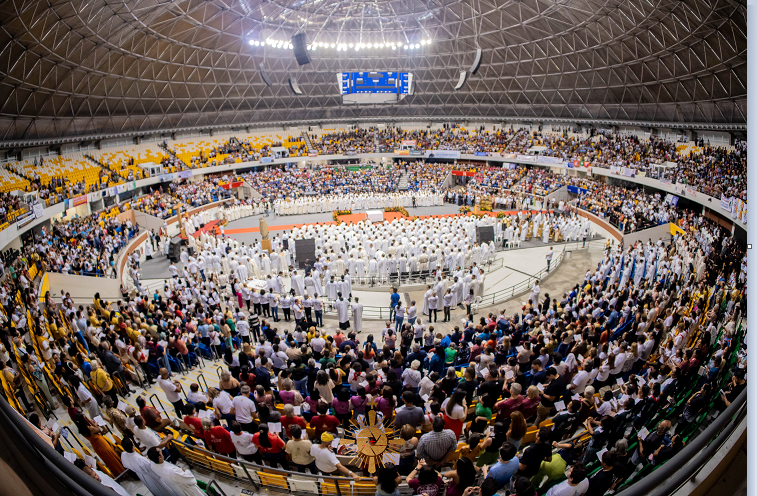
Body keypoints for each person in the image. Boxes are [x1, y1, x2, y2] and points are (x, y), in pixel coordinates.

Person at [72, 412, 126, 477]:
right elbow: (98, 430)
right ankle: (122, 471)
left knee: (108, 460)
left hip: (95, 445)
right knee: (112, 457)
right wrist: (93, 423)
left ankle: (117, 472)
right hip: (101, 443)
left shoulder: (81, 429)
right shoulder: (89, 428)